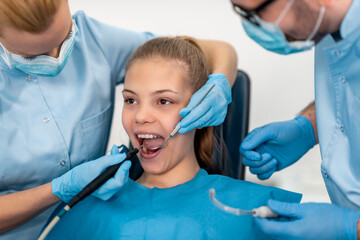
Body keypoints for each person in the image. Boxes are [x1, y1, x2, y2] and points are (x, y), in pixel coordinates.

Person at [0, 0, 238, 239]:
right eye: (131, 100)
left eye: (64, 40)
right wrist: (59, 189)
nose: (57, 57)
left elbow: (192, 53)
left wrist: (220, 84)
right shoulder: (83, 219)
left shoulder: (94, 40)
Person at [41, 36, 301, 240]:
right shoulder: (82, 209)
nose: (141, 116)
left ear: (200, 111)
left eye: (163, 101)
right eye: (131, 100)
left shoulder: (259, 211)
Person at [231, 0, 360, 239]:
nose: (254, 26)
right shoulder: (329, 28)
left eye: (256, 14)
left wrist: (352, 226)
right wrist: (308, 127)